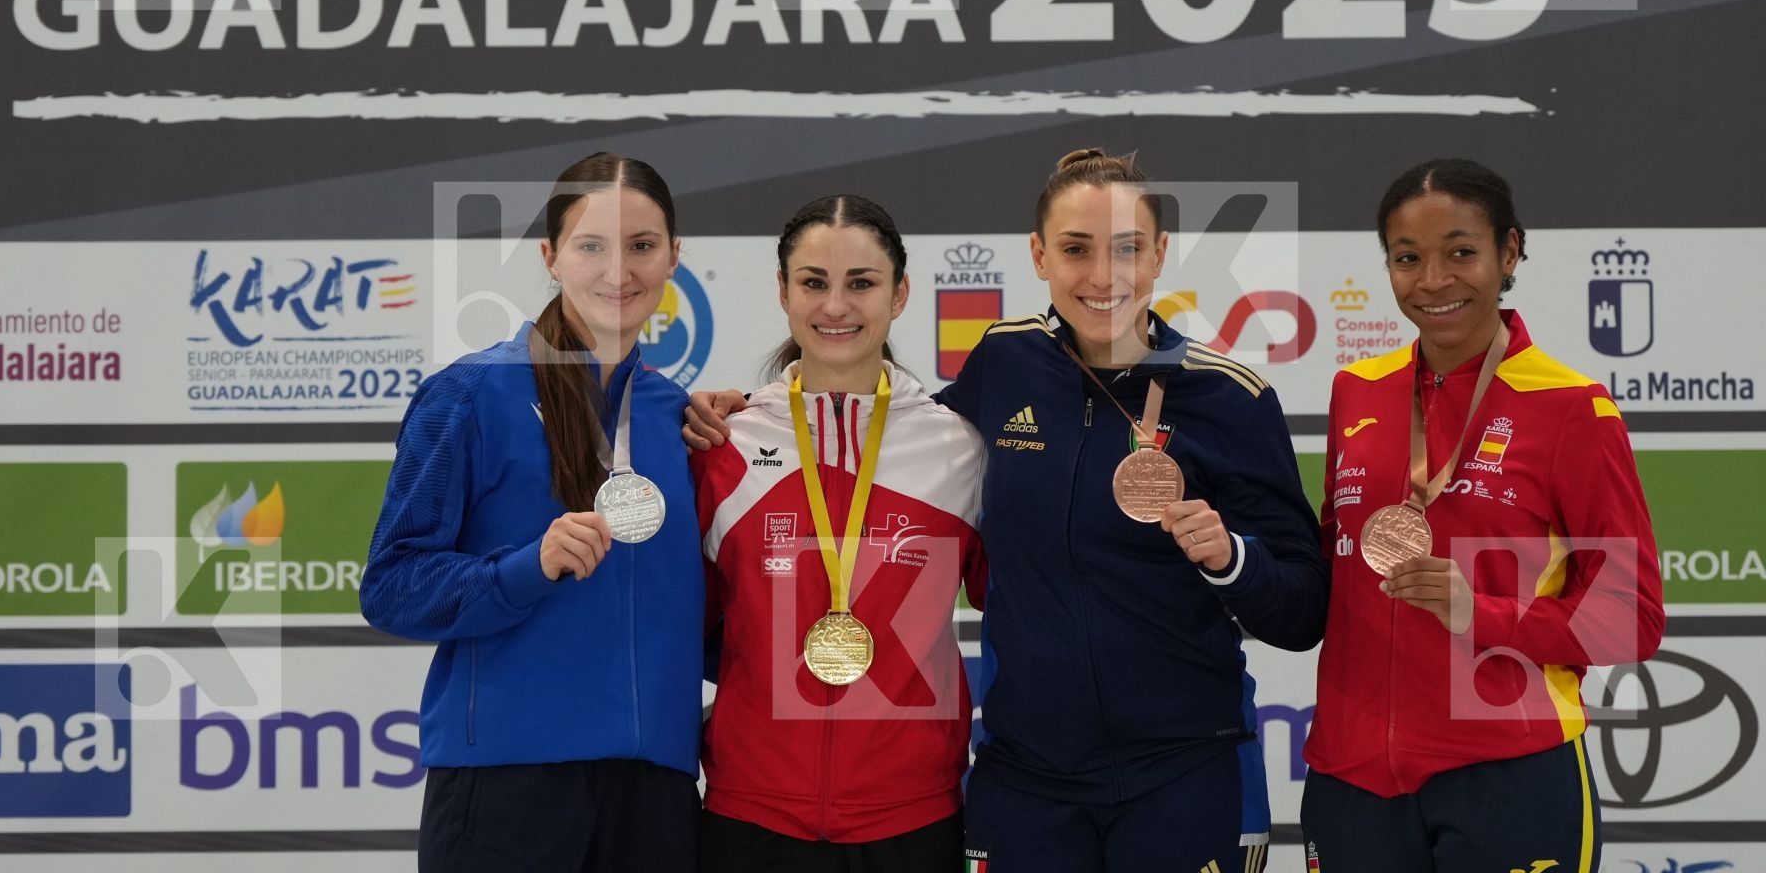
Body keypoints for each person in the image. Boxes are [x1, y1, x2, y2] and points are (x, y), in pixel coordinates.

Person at [687, 149, 1327, 873]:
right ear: (1039, 255)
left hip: (1180, 766)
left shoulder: (1230, 399)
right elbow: (886, 435)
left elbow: (1302, 611)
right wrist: (732, 408)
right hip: (1027, 777)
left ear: (1158, 256)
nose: (1101, 275)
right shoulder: (1006, 361)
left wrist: (1230, 557)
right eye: (1076, 249)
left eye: (1126, 249)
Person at [1300, 158, 1665, 873]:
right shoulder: (1357, 392)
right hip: (1352, 778)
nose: (1433, 281)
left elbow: (1631, 615)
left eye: (1461, 253)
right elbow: (1329, 566)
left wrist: (1484, 614)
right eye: (1408, 259)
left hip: (1507, 769)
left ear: (1509, 253)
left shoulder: (1569, 407)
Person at [360, 153, 704, 873]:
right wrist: (525, 568)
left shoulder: (681, 419)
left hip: (655, 794)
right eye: (591, 247)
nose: (620, 272)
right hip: (508, 789)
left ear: (675, 255)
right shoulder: (470, 395)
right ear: (551, 257)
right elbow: (391, 587)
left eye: (643, 246)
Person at [695, 194, 987, 872]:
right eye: (814, 283)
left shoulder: (960, 449)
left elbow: (1028, 608)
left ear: (901, 293)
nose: (836, 307)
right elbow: (687, 626)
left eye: (862, 283)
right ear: (783, 291)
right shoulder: (722, 446)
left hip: (914, 816)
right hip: (750, 815)